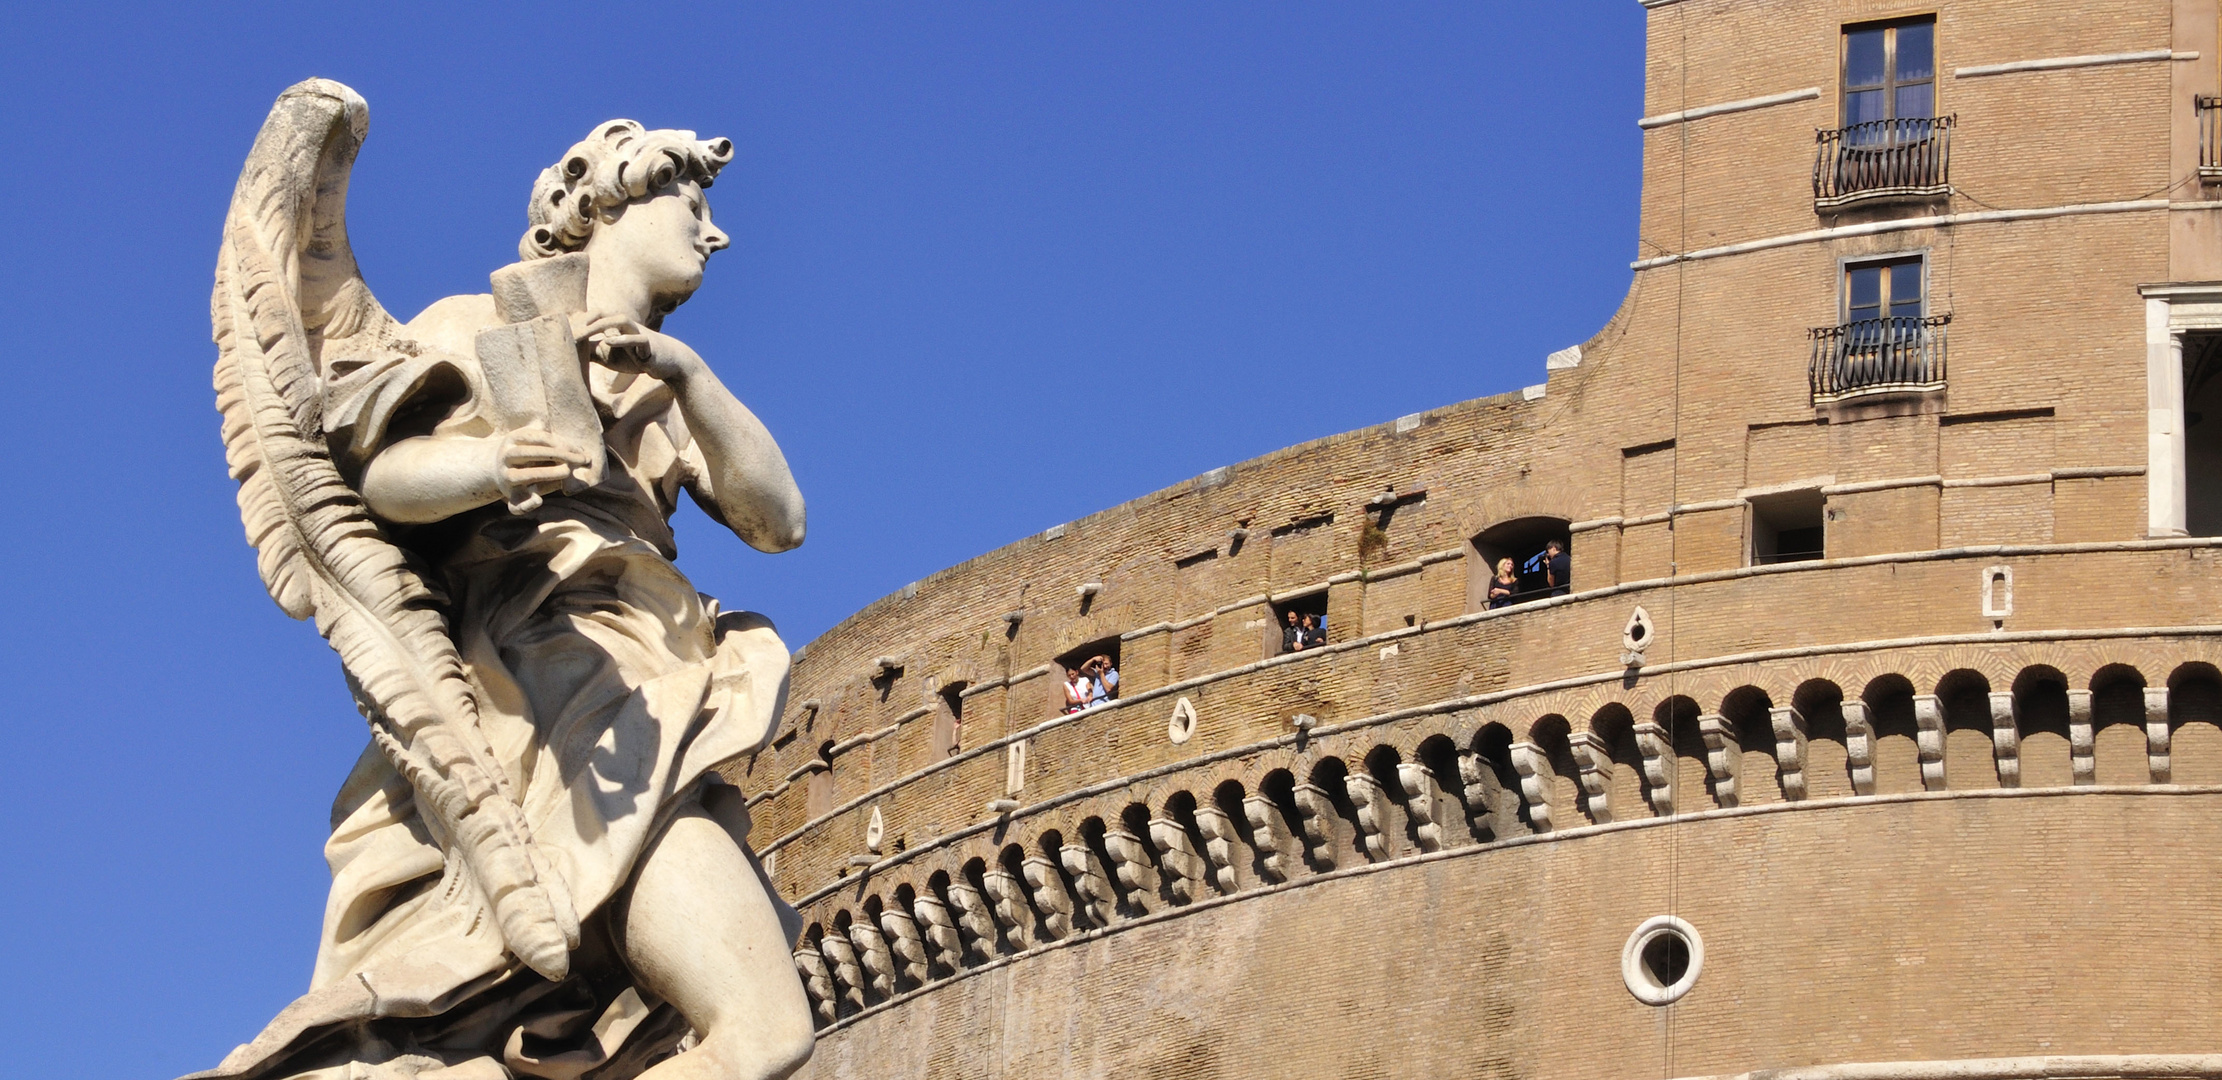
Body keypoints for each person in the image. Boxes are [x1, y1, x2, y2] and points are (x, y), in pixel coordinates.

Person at [204, 102, 815, 1080]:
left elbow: (778, 521)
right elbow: (379, 480)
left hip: (655, 676)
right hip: (551, 681)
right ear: (608, 203)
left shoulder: (666, 386)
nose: (716, 229)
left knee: (760, 1027)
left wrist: (686, 371)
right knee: (762, 1028)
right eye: (688, 200)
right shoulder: (477, 326)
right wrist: (494, 464)